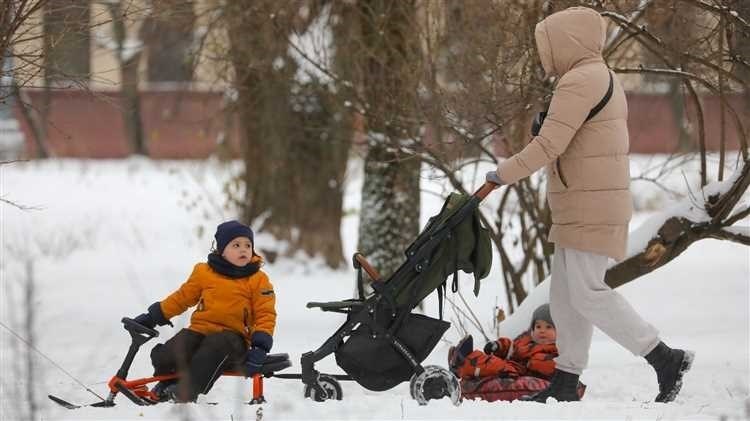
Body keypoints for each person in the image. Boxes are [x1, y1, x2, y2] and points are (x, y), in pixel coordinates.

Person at [485, 6, 693, 403]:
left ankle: (664, 358)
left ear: (566, 42)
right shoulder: (597, 76)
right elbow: (571, 137)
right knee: (566, 300)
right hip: (582, 204)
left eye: (548, 45)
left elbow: (549, 144)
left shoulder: (581, 80)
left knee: (587, 293)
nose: (545, 54)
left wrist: (502, 174)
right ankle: (565, 382)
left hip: (589, 206)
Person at [130, 220, 276, 402]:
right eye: (236, 245)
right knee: (172, 351)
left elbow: (265, 314)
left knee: (214, 348)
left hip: (233, 338)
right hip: (200, 331)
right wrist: (154, 316)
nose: (243, 250)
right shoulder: (204, 273)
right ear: (221, 250)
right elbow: (182, 298)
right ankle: (167, 382)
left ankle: (188, 389)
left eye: (248, 245)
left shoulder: (258, 279)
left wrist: (260, 347)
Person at [449, 304, 558, 381]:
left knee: (494, 365)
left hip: (521, 374)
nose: (542, 331)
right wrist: (498, 346)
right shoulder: (526, 340)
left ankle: (461, 364)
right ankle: (464, 359)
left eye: (548, 327)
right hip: (513, 367)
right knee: (493, 362)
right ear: (532, 329)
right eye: (538, 326)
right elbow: (512, 347)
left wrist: (536, 362)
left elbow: (554, 367)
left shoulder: (557, 349)